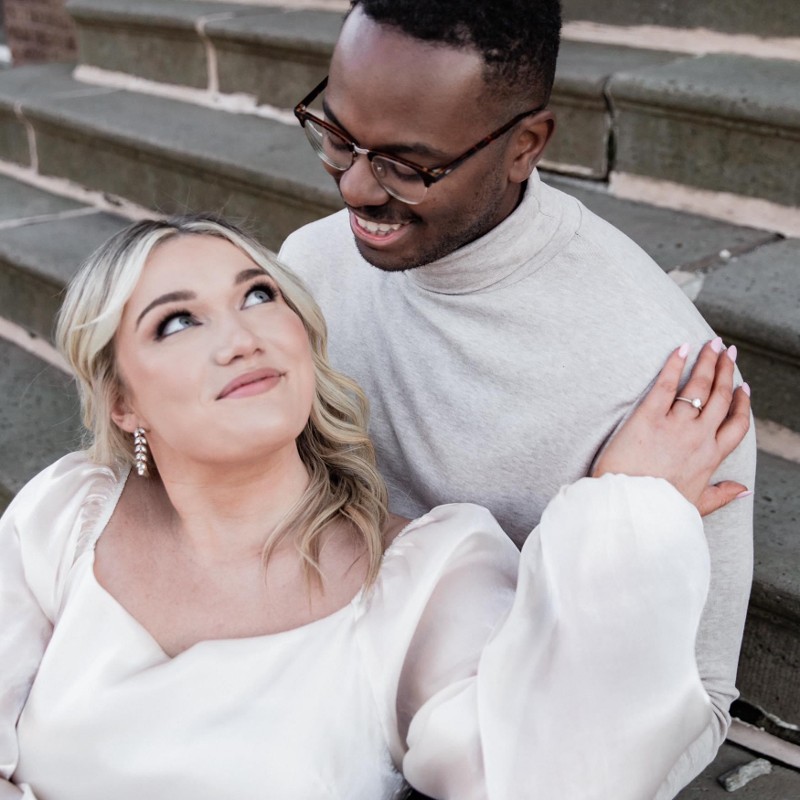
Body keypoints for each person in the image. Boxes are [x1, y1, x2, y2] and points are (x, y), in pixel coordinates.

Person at [0, 215, 751, 800]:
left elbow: (550, 773)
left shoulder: (424, 579)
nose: (240, 338)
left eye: (258, 295)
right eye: (177, 321)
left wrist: (624, 517)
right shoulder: (68, 517)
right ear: (123, 400)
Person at [277, 1, 757, 794]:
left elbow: (695, 704)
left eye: (406, 163)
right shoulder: (308, 267)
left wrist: (619, 520)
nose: (354, 187)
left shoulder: (664, 382)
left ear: (524, 145)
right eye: (335, 135)